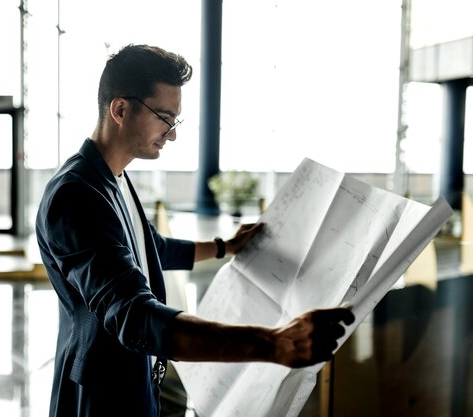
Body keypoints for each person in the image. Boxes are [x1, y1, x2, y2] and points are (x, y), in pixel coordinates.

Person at [34, 44, 355, 417]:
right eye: (164, 117)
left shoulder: (113, 177)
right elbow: (133, 315)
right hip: (102, 397)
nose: (171, 134)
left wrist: (225, 246)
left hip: (134, 382)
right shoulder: (76, 195)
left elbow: (152, 248)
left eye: (175, 120)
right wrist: (273, 344)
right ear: (120, 110)